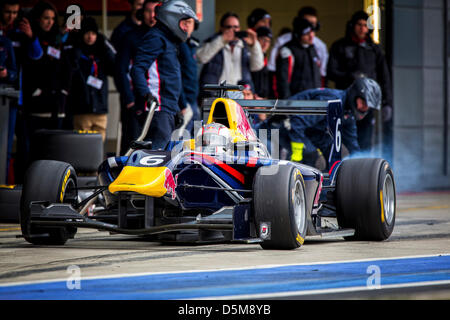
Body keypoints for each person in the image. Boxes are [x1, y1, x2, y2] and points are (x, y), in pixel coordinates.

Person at [130, 0, 198, 150]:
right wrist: (146, 94)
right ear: (171, 18)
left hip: (167, 108)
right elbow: (137, 69)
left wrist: (179, 107)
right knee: (157, 156)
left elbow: (171, 77)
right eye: (184, 22)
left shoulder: (169, 41)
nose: (187, 27)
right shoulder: (155, 38)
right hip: (157, 108)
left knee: (166, 155)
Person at [327, 10, 393, 156]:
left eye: (365, 25)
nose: (362, 28)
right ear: (352, 25)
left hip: (366, 105)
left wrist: (388, 102)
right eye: (359, 25)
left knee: (365, 142)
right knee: (343, 141)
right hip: (345, 103)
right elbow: (331, 72)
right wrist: (350, 77)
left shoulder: (374, 49)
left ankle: (363, 172)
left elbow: (385, 77)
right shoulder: (340, 46)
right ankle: (343, 171)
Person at [16, 1, 68, 182]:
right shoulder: (28, 37)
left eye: (53, 19)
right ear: (37, 19)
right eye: (46, 18)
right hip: (32, 105)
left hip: (55, 105)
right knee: (30, 151)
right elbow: (36, 58)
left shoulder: (57, 38)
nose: (50, 22)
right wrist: (32, 38)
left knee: (52, 152)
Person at [288, 77, 382, 169]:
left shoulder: (348, 112)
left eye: (368, 107)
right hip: (287, 126)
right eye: (363, 103)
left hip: (311, 132)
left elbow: (352, 143)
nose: (365, 108)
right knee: (317, 161)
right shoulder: (332, 101)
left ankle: (332, 183)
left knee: (341, 157)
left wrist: (361, 164)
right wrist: (297, 154)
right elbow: (297, 122)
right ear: (355, 94)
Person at [0, 0, 42, 183]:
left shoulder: (21, 31)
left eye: (15, 12)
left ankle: (15, 185)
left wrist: (31, 36)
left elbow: (37, 54)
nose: (12, 16)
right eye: (8, 12)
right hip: (4, 95)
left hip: (16, 97)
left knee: (17, 147)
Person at [114, 0, 160, 154]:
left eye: (156, 11)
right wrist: (129, 100)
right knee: (131, 144)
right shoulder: (130, 37)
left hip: (159, 102)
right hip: (136, 101)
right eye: (148, 11)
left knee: (158, 146)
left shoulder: (165, 38)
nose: (152, 16)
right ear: (142, 13)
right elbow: (121, 70)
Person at [66, 17, 115, 141]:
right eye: (87, 33)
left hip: (100, 108)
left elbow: (115, 65)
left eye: (93, 33)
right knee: (82, 145)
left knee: (98, 144)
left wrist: (105, 44)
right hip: (81, 109)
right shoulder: (75, 52)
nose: (90, 37)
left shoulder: (102, 52)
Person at [197, 12, 264, 92]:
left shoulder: (245, 44)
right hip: (216, 94)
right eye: (228, 27)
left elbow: (257, 66)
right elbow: (200, 58)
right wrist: (222, 40)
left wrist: (254, 45)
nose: (233, 30)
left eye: (236, 27)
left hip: (240, 94)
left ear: (239, 28)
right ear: (221, 28)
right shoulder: (214, 42)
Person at [268, 7, 328, 85]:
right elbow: (272, 68)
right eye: (307, 23)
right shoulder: (282, 41)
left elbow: (323, 74)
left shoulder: (319, 45)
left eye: (313, 24)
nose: (310, 28)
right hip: (293, 92)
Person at [275, 17, 321, 99]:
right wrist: (287, 103)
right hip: (296, 100)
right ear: (298, 35)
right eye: (307, 34)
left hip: (314, 99)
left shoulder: (313, 49)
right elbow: (283, 80)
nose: (311, 36)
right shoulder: (287, 50)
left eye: (312, 32)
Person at [251, 26, 272, 99]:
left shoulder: (265, 57)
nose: (266, 44)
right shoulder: (249, 55)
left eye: (268, 41)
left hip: (262, 99)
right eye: (263, 40)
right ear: (256, 39)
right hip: (252, 98)